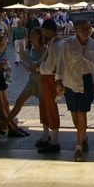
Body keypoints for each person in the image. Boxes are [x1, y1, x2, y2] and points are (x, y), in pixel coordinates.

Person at [56, 18, 94, 162]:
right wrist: (58, 81)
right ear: (75, 30)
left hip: (86, 81)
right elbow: (61, 62)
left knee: (82, 113)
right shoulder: (68, 43)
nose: (86, 31)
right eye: (83, 29)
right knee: (74, 114)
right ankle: (83, 134)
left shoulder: (93, 44)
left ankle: (78, 147)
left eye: (88, 28)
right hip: (70, 80)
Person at [0, 35, 27, 137]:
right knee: (0, 105)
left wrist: (3, 67)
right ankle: (10, 128)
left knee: (6, 104)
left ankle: (15, 126)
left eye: (2, 44)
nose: (1, 46)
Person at [5, 28, 46, 131]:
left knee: (43, 106)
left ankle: (46, 132)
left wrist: (35, 67)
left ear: (39, 36)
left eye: (33, 34)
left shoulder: (44, 49)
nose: (30, 35)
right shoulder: (32, 48)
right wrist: (26, 63)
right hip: (32, 79)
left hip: (41, 79)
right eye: (30, 33)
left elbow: (47, 65)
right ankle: (5, 123)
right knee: (19, 101)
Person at [36, 19, 64, 154]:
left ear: (48, 30)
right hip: (48, 78)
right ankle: (46, 136)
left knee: (50, 107)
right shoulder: (55, 43)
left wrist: (39, 68)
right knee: (45, 106)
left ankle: (54, 140)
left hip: (50, 78)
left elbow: (50, 66)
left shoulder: (56, 45)